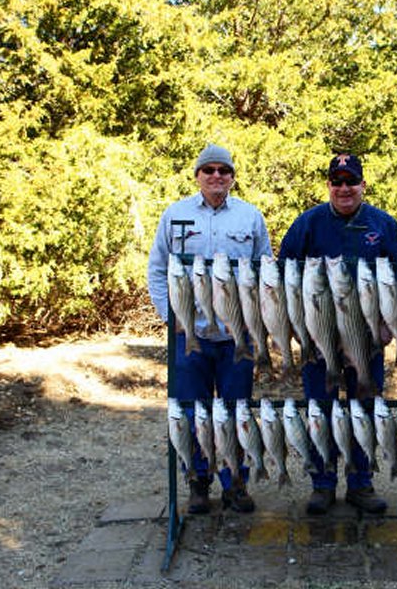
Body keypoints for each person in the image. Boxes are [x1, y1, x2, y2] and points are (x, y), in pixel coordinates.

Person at [279, 152, 397, 515]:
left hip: (366, 339)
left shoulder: (384, 226)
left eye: (350, 181)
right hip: (318, 338)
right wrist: (293, 326)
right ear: (328, 186)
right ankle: (322, 484)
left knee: (364, 409)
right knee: (320, 411)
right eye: (336, 182)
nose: (344, 188)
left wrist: (389, 325)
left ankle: (361, 483)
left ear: (363, 185)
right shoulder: (307, 224)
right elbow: (282, 280)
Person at [148, 143, 272, 514]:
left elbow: (264, 271)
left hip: (237, 336)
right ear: (197, 175)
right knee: (192, 411)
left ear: (233, 177)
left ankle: (235, 482)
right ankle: (197, 482)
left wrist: (255, 322)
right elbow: (157, 269)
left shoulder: (250, 217)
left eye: (223, 170)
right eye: (209, 170)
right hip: (191, 335)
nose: (216, 176)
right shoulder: (174, 215)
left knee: (237, 411)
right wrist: (172, 320)